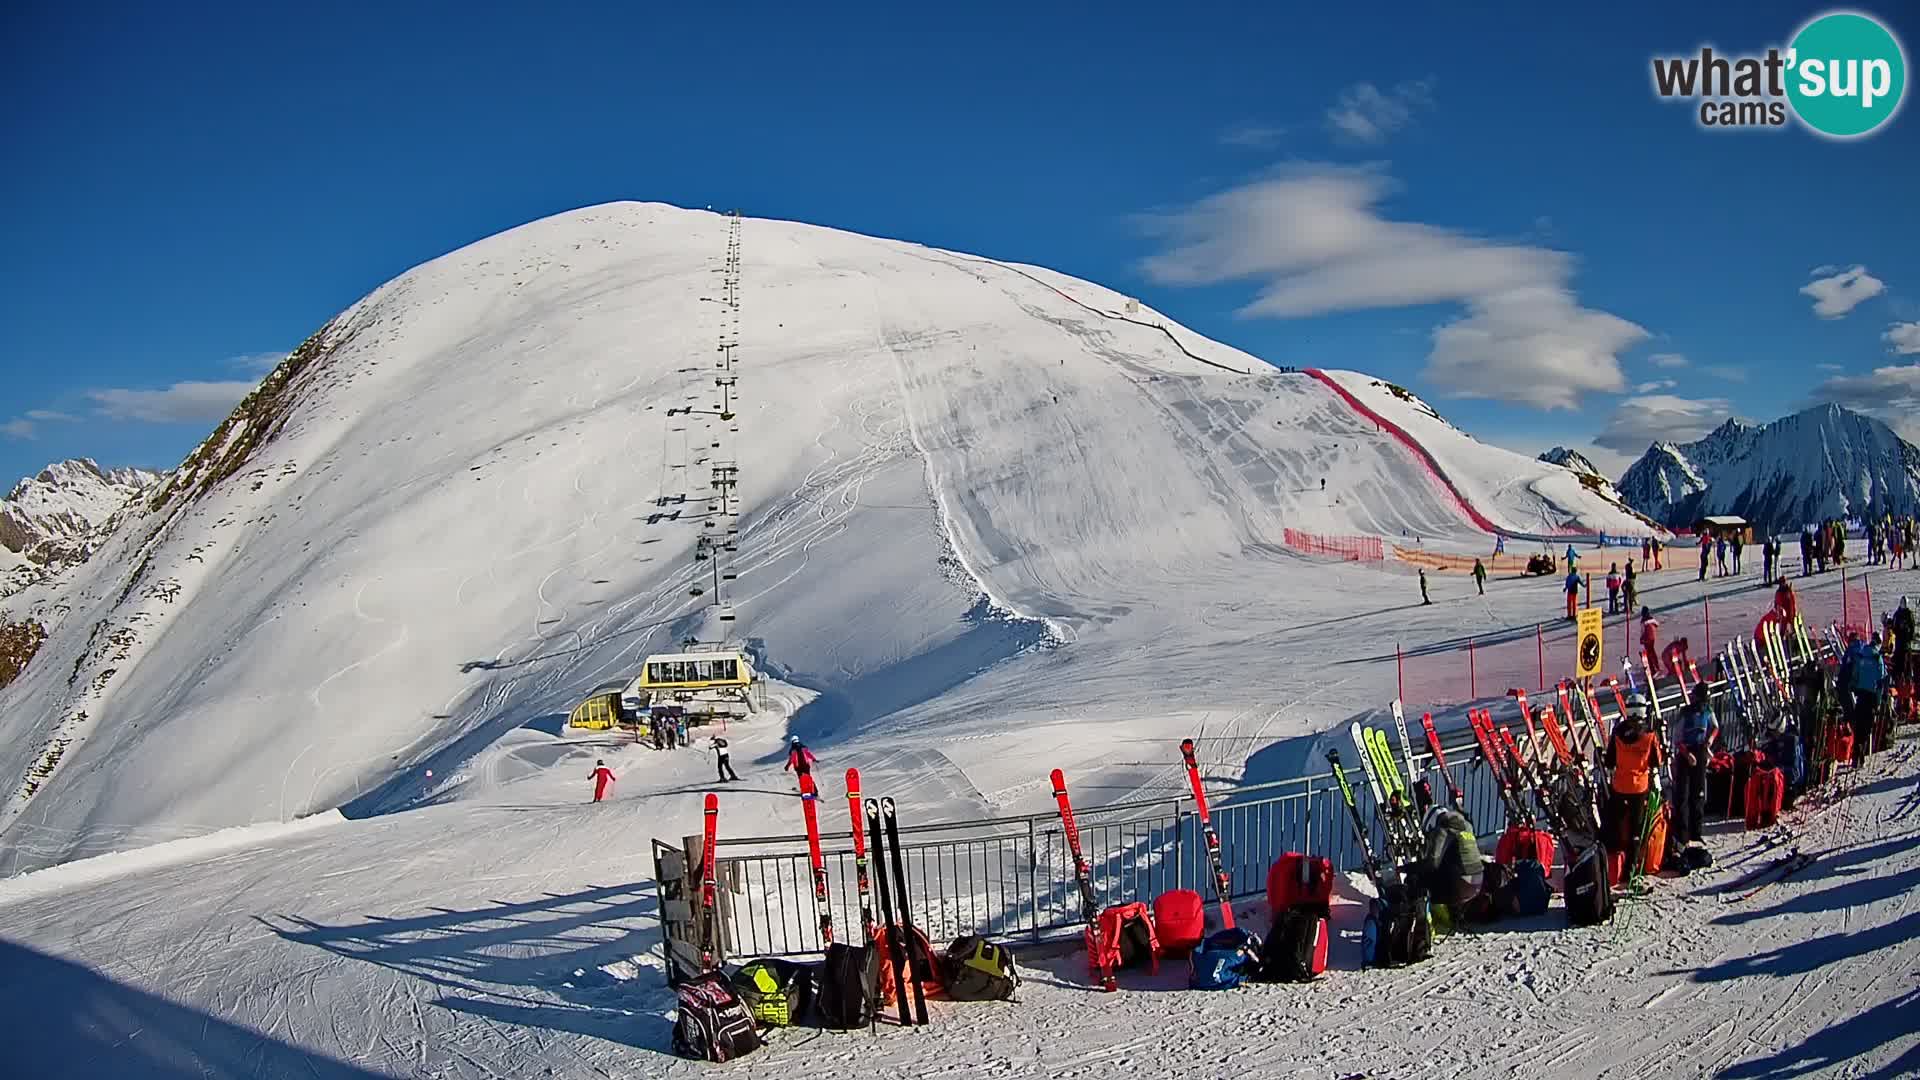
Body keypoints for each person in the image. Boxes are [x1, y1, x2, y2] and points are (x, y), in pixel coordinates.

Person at [1604, 696, 1663, 876]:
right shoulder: (1650, 733)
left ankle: (1616, 866)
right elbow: (1657, 761)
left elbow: (1609, 761)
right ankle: (1632, 867)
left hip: (1620, 786)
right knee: (1637, 828)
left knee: (1618, 823)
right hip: (1640, 787)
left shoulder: (1618, 732)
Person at [1411, 804, 1483, 917]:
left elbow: (1431, 864)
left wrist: (1407, 869)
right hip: (1478, 884)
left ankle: (1422, 921)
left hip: (1461, 888)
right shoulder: (1467, 826)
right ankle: (1455, 913)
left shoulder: (1442, 831)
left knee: (1418, 879)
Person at [1671, 682, 1719, 846]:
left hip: (1700, 750)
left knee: (1698, 793)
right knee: (1683, 795)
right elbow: (1677, 739)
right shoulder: (1685, 713)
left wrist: (1709, 741)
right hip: (1686, 753)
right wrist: (1687, 754)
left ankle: (1696, 831)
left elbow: (1715, 727)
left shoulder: (1707, 711)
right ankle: (1682, 834)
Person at [1839, 633, 1887, 765]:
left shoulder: (1861, 654)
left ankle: (1857, 753)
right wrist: (1879, 700)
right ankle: (1860, 751)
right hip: (1871, 696)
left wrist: (1853, 687)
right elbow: (1881, 681)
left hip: (1860, 694)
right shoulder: (1877, 658)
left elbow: (1855, 673)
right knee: (1867, 726)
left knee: (1859, 724)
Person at [1639, 607, 1661, 681]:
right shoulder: (1652, 620)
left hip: (1646, 639)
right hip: (1652, 638)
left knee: (1649, 654)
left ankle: (1653, 670)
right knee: (1652, 653)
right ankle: (1656, 668)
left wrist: (1641, 639)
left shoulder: (1643, 622)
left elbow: (1642, 631)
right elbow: (1657, 624)